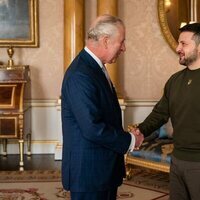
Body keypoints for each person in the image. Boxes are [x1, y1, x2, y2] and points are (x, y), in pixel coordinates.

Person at [61, 14, 144, 200]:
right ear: (106, 41)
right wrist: (130, 140)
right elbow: (92, 128)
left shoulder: (94, 67)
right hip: (89, 173)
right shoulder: (80, 74)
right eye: (121, 42)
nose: (124, 47)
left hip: (102, 170)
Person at [133, 23, 200, 200]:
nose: (178, 48)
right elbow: (160, 113)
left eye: (184, 44)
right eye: (179, 43)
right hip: (177, 160)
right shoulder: (175, 80)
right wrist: (140, 131)